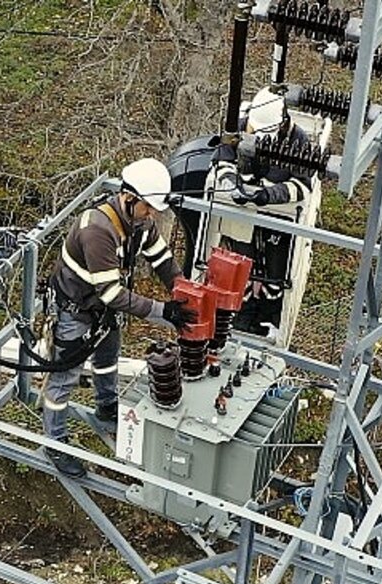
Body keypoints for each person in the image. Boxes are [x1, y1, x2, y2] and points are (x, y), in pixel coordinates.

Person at [42, 158, 197, 477]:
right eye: (148, 207)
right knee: (64, 378)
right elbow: (111, 293)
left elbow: (162, 260)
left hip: (102, 308)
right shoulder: (98, 230)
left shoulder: (139, 223)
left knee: (107, 358)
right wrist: (163, 312)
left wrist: (183, 293)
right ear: (129, 197)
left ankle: (107, 406)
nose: (151, 214)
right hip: (76, 309)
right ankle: (54, 443)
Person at [208, 87, 313, 338]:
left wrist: (268, 195)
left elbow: (302, 186)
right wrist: (232, 185)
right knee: (240, 262)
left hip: (278, 217)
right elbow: (222, 160)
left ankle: (268, 316)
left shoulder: (298, 142)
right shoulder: (240, 127)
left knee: (276, 269)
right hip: (242, 214)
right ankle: (240, 315)